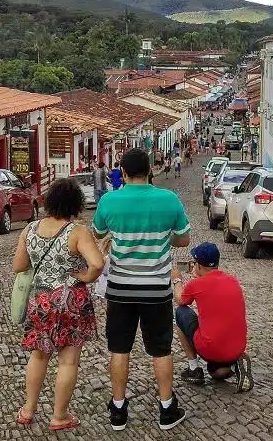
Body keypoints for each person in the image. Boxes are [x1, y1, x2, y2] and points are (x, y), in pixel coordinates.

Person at [92, 148, 191, 431]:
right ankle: (166, 409)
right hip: (157, 290)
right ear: (150, 170)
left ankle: (119, 409)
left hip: (120, 288)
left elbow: (98, 233)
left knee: (119, 349)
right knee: (161, 350)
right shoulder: (168, 199)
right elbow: (184, 240)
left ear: (122, 172)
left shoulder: (110, 200)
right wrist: (162, 236)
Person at [12, 178, 105, 431]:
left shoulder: (29, 230)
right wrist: (85, 277)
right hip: (71, 299)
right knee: (68, 361)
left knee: (39, 356)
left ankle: (28, 409)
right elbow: (97, 263)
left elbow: (19, 266)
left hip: (41, 300)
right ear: (76, 204)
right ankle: (59, 416)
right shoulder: (77, 232)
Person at [173, 243, 253, 393]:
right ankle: (235, 363)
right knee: (215, 373)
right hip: (237, 347)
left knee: (181, 312)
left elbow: (180, 300)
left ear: (198, 265)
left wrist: (177, 280)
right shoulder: (233, 280)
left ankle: (194, 369)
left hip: (210, 348)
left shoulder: (196, 284)